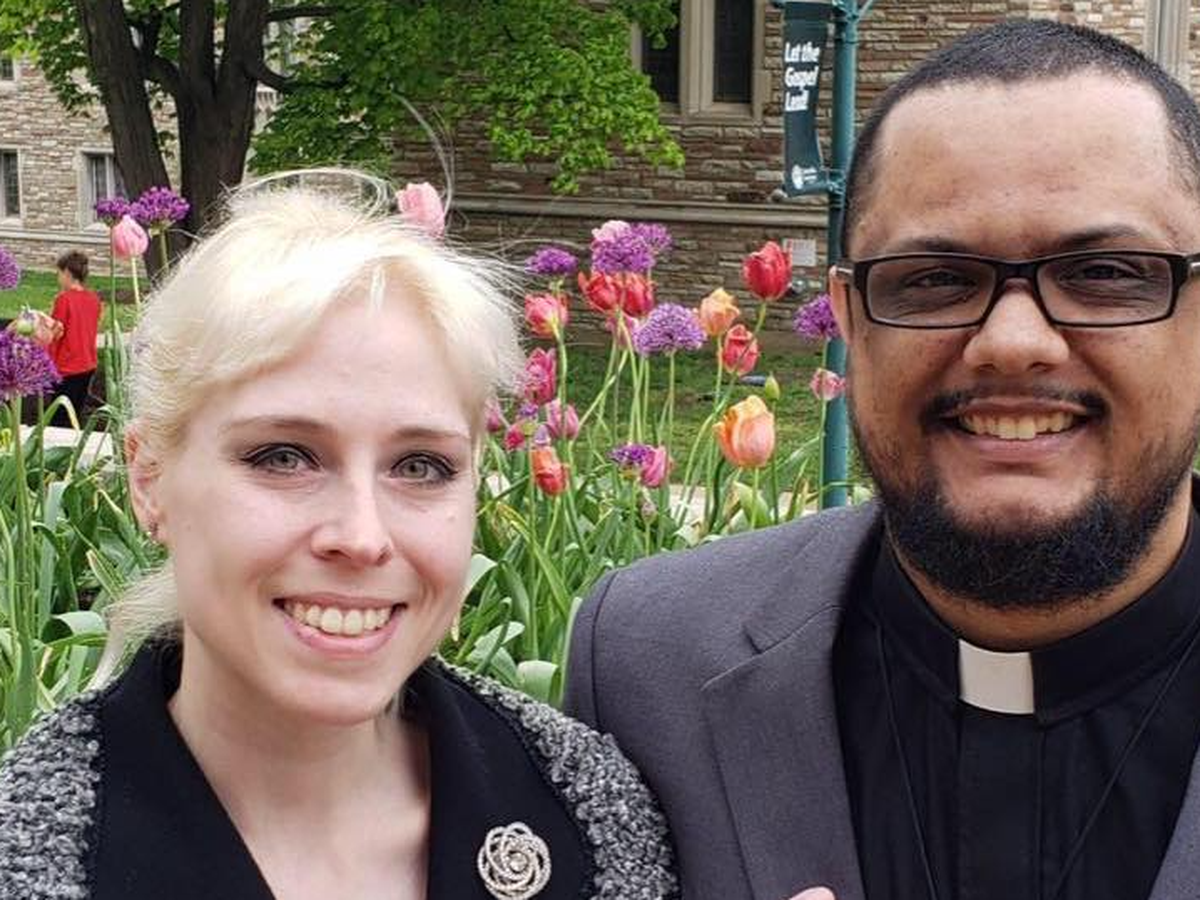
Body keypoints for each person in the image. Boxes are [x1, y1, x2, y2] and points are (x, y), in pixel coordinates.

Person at [566, 20, 1200, 900]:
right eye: (935, 280)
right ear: (850, 318)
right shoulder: (649, 660)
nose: (1012, 343)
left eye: (1104, 273)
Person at [0, 178, 677, 899]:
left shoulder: (590, 820)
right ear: (149, 481)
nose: (362, 537)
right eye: (283, 457)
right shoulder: (32, 854)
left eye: (421, 466)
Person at [46, 249, 102, 425]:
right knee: (75, 414)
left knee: (58, 419)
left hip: (67, 367)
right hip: (88, 364)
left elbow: (56, 334)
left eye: (59, 273)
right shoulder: (94, 299)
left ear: (67, 273)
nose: (58, 278)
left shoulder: (64, 300)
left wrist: (46, 362)